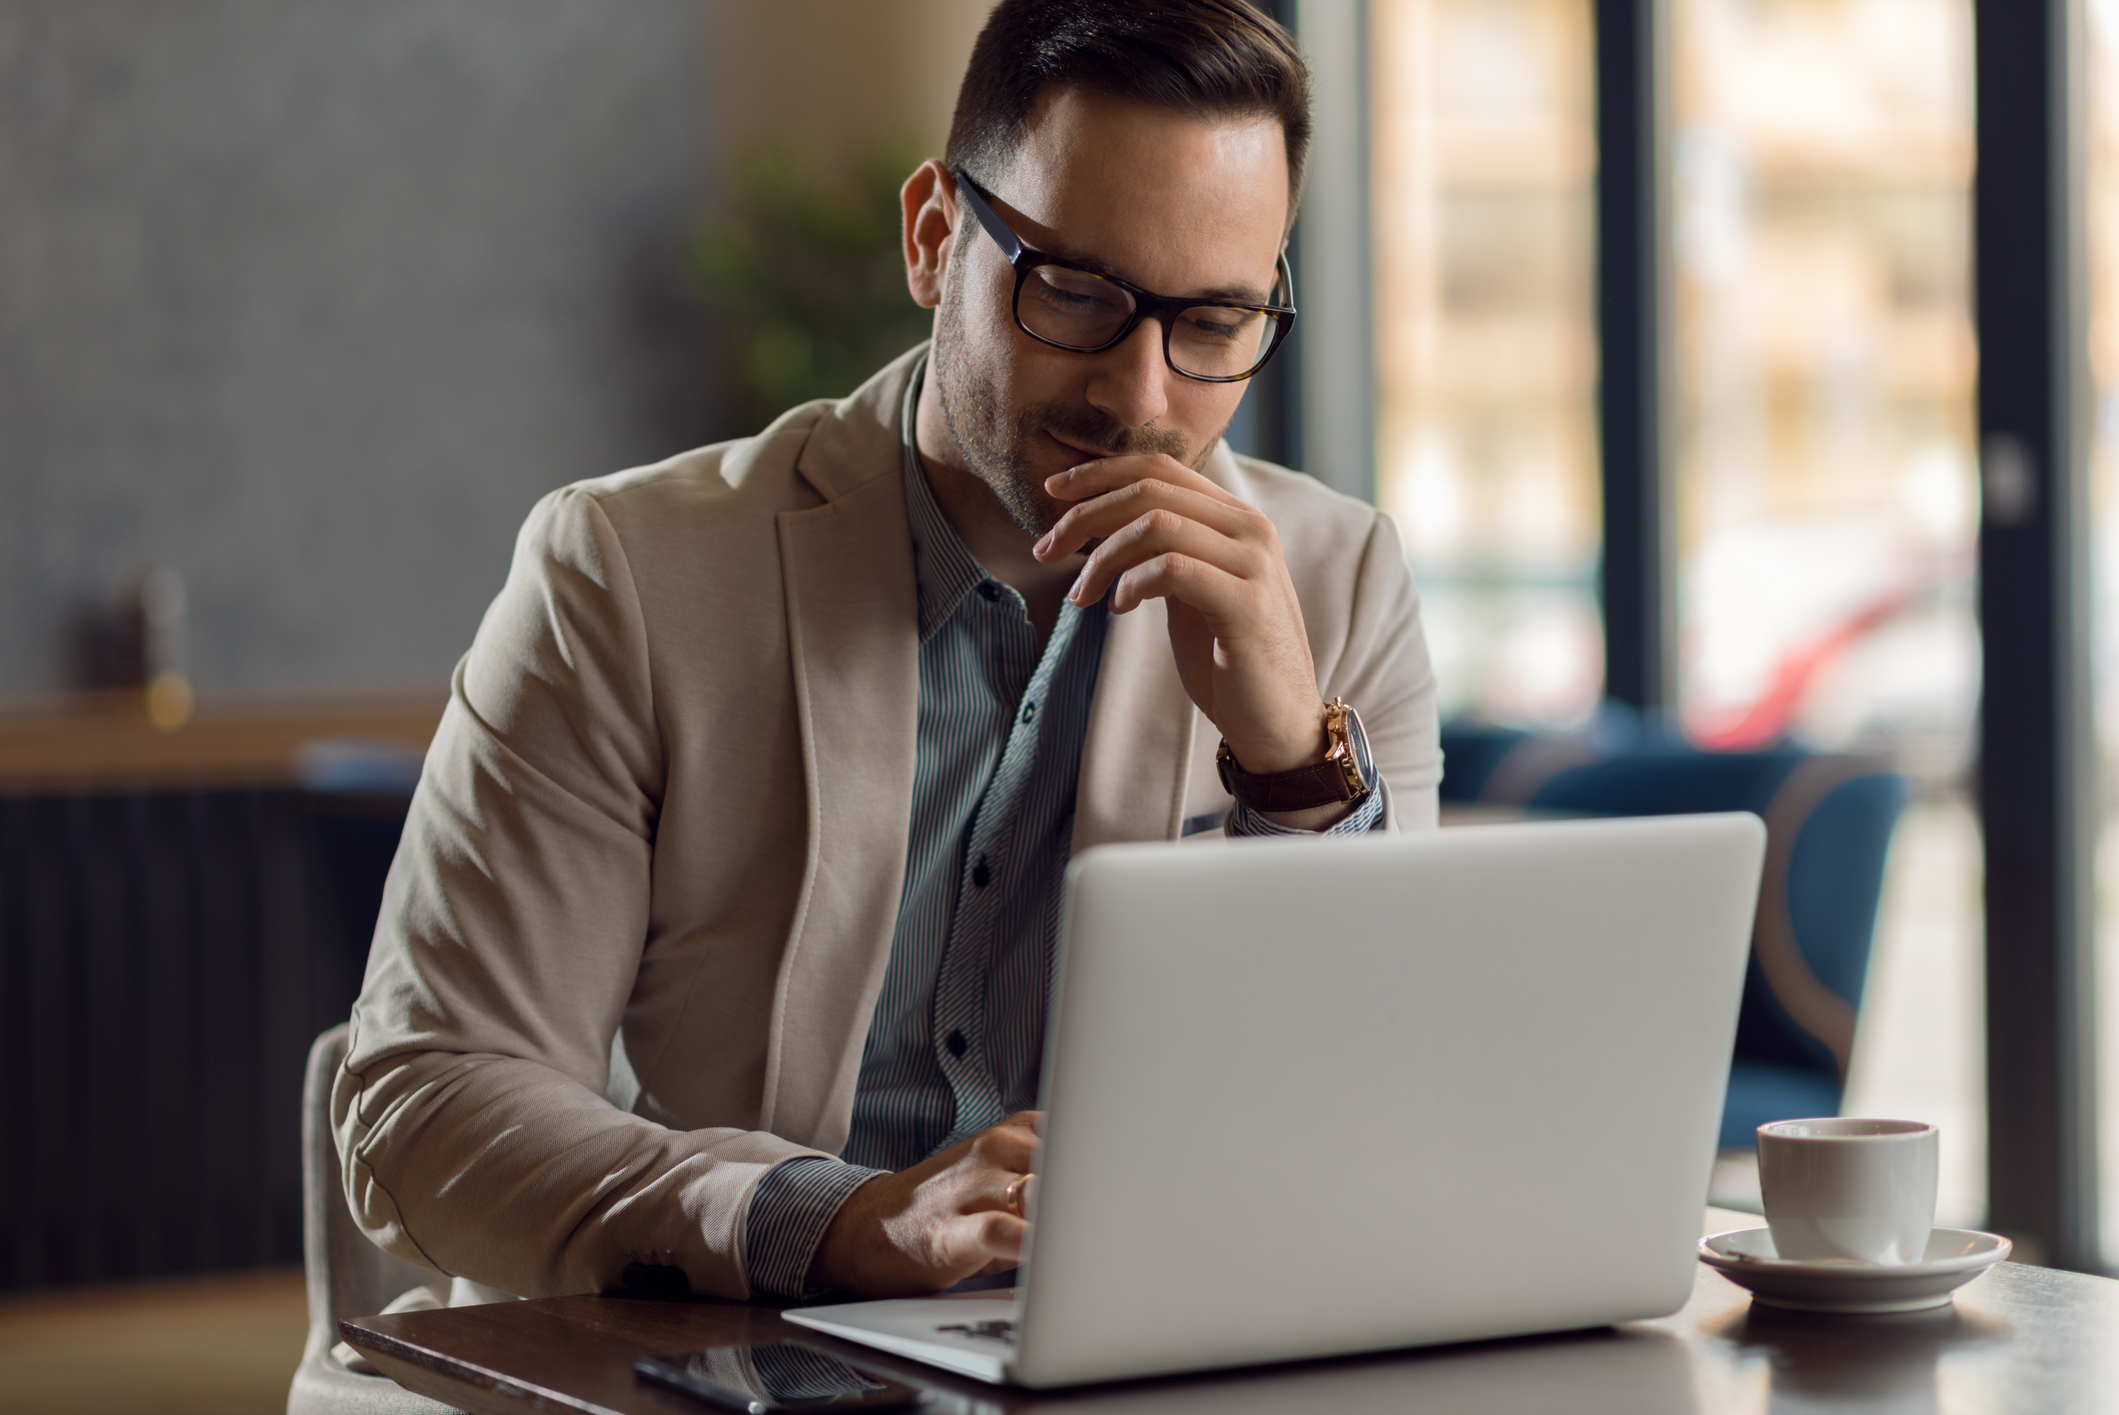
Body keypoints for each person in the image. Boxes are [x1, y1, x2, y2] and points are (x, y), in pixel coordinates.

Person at [334, 0, 1439, 1306]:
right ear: (931, 239)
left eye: (1211, 324)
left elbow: (1384, 1127)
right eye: (1076, 292)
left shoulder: (1338, 581)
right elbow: (426, 1103)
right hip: (723, 1351)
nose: (1142, 397)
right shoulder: (623, 576)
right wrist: (831, 1222)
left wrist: (1290, 772)